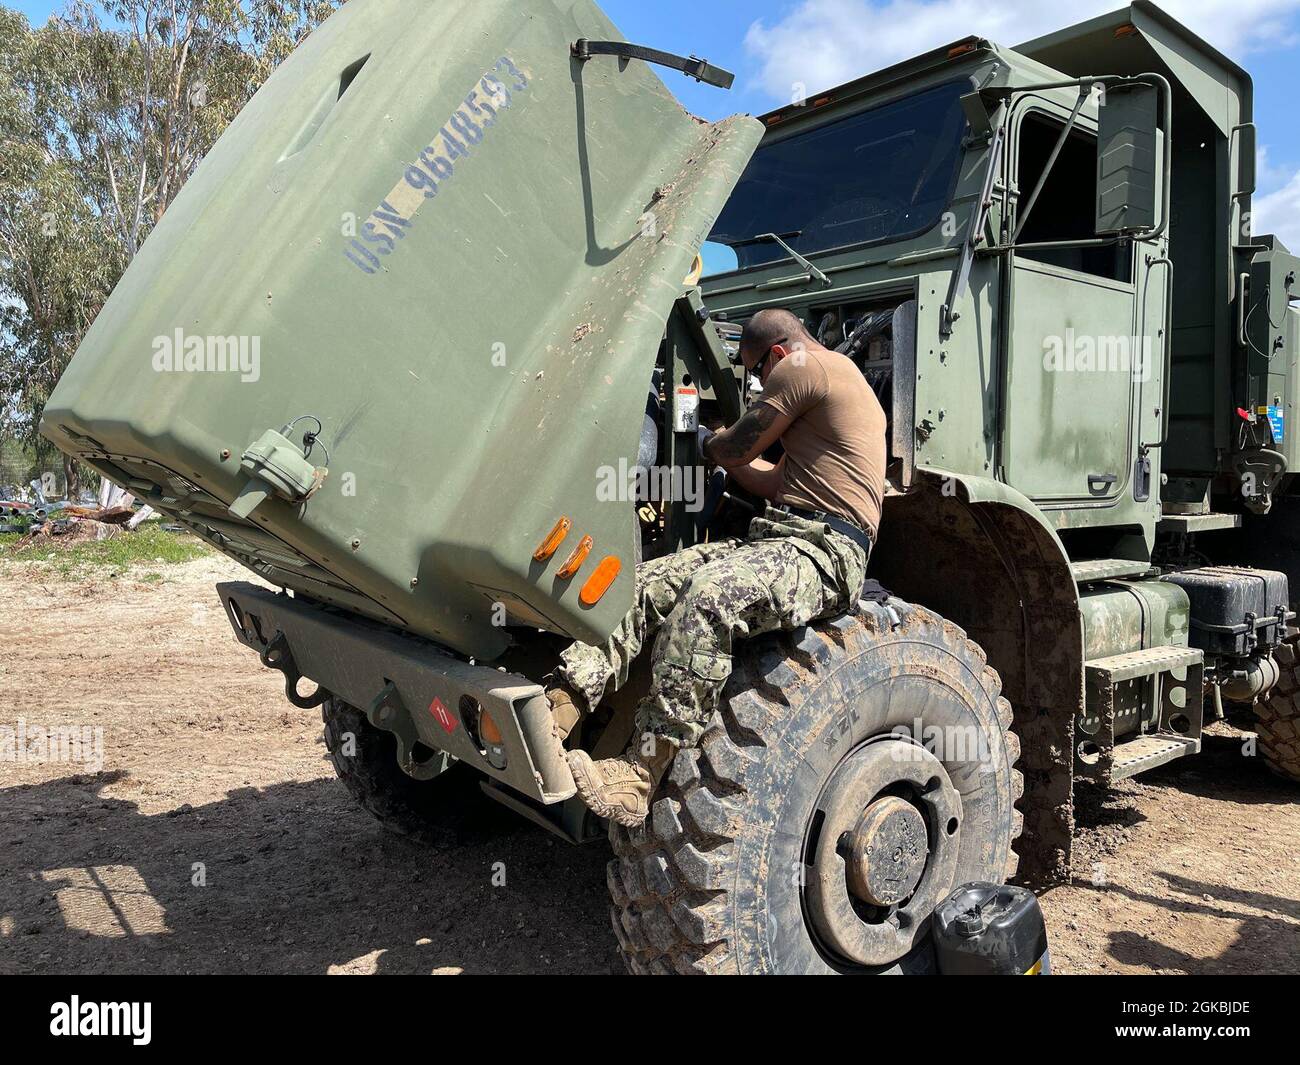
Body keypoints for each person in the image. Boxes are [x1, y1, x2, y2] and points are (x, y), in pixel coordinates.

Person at [553, 308, 887, 826]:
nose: (756, 383)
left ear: (776, 353)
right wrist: (721, 452)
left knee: (709, 597)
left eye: (755, 372)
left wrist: (706, 441)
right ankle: (565, 700)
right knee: (650, 581)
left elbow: (736, 446)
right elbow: (775, 482)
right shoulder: (827, 386)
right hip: (781, 535)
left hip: (826, 553)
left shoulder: (803, 366)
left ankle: (641, 773)